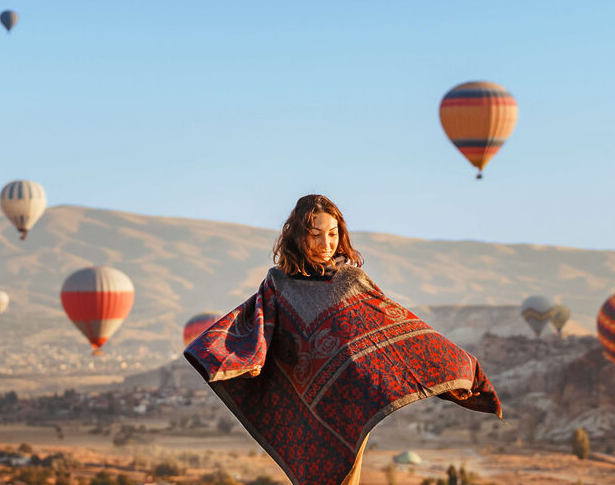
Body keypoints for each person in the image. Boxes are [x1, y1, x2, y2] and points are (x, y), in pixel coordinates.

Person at [185, 195, 502, 485]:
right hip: (304, 398)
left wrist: (460, 365)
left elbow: (399, 329)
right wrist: (232, 356)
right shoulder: (278, 285)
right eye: (316, 233)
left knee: (345, 476)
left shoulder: (352, 281)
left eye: (333, 233)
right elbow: (258, 327)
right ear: (298, 235)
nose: (326, 242)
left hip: (352, 397)